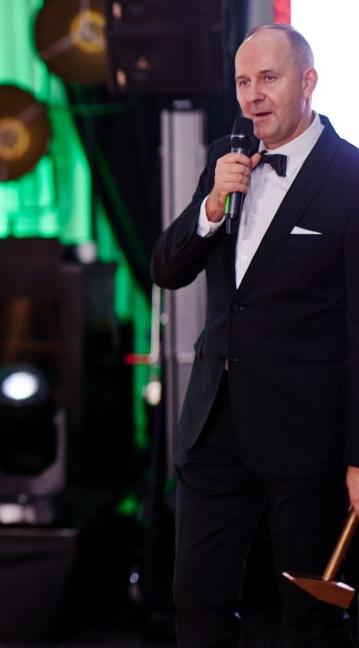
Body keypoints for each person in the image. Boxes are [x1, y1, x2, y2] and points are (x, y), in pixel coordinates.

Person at [151, 23, 359, 645]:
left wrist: (358, 455)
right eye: (243, 81)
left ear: (308, 81)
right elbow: (167, 269)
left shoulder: (351, 176)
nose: (253, 95)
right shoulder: (228, 154)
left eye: (269, 78)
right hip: (215, 422)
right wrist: (211, 206)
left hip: (309, 436)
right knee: (196, 598)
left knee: (312, 614)